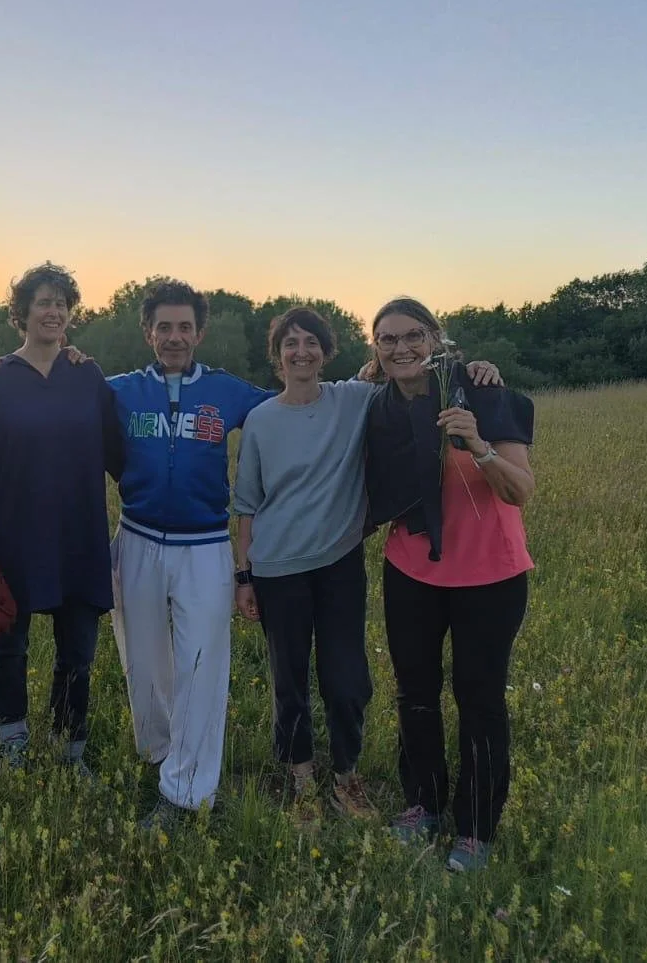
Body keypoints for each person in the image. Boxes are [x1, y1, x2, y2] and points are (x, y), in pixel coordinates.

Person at [233, 308, 505, 830]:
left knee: (347, 678)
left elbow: (413, 368)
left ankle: (346, 778)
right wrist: (244, 576)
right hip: (277, 570)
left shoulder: (352, 398)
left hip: (338, 564)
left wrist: (478, 368)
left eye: (311, 343)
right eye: (290, 344)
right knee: (289, 679)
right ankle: (302, 780)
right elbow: (246, 505)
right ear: (277, 355)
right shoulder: (263, 420)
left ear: (326, 352)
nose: (301, 352)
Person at [363, 296, 536, 873]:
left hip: (490, 575)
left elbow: (520, 490)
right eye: (387, 340)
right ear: (376, 349)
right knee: (414, 693)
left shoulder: (483, 393)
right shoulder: (377, 405)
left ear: (436, 339)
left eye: (412, 336)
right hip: (412, 568)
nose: (401, 348)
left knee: (480, 700)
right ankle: (424, 803)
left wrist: (478, 446)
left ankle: (477, 828)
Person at [106, 279, 272, 822]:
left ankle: (187, 792)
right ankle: (160, 752)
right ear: (148, 332)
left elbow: (293, 404)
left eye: (184, 327)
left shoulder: (227, 391)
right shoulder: (120, 390)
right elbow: (59, 392)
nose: (174, 337)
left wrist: (362, 382)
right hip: (137, 538)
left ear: (199, 332)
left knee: (200, 666)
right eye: (163, 327)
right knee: (145, 661)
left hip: (203, 546)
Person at [0, 262, 125, 773]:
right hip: (14, 536)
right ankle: (13, 747)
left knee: (78, 652)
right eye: (43, 302)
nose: (53, 311)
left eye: (61, 303)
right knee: (10, 647)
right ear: (22, 312)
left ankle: (72, 751)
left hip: (78, 535)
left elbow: (120, 451)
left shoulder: (87, 374)